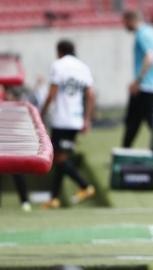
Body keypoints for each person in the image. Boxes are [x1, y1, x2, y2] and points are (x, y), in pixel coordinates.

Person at [41, 39, 96, 209]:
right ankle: (54, 198)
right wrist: (86, 119)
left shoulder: (58, 65)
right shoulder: (83, 67)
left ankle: (85, 185)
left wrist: (41, 113)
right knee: (60, 157)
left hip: (61, 119)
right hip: (76, 119)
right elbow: (90, 96)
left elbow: (52, 93)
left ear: (60, 51)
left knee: (59, 158)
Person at [121, 10, 153, 157]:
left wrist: (137, 80)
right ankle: (124, 152)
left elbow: (150, 57)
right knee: (134, 121)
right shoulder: (150, 32)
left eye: (125, 22)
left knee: (148, 122)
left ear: (130, 20)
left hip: (145, 86)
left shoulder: (142, 34)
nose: (124, 25)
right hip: (151, 85)